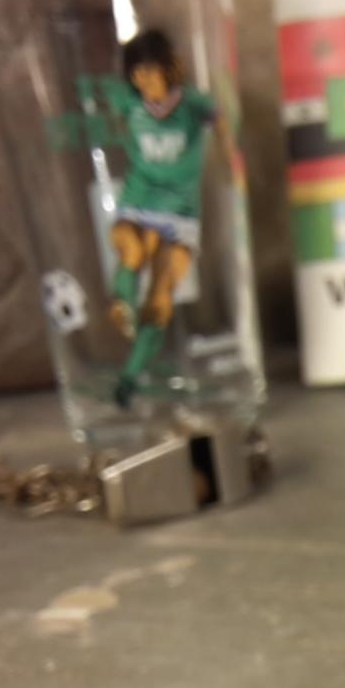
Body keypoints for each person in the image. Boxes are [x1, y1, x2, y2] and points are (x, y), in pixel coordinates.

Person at [103, 29, 216, 407]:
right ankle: (122, 304)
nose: (144, 81)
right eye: (137, 74)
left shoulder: (193, 104)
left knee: (159, 300)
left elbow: (224, 121)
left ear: (169, 69)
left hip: (181, 216)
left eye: (150, 71)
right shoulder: (129, 102)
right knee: (132, 251)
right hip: (139, 203)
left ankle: (129, 378)